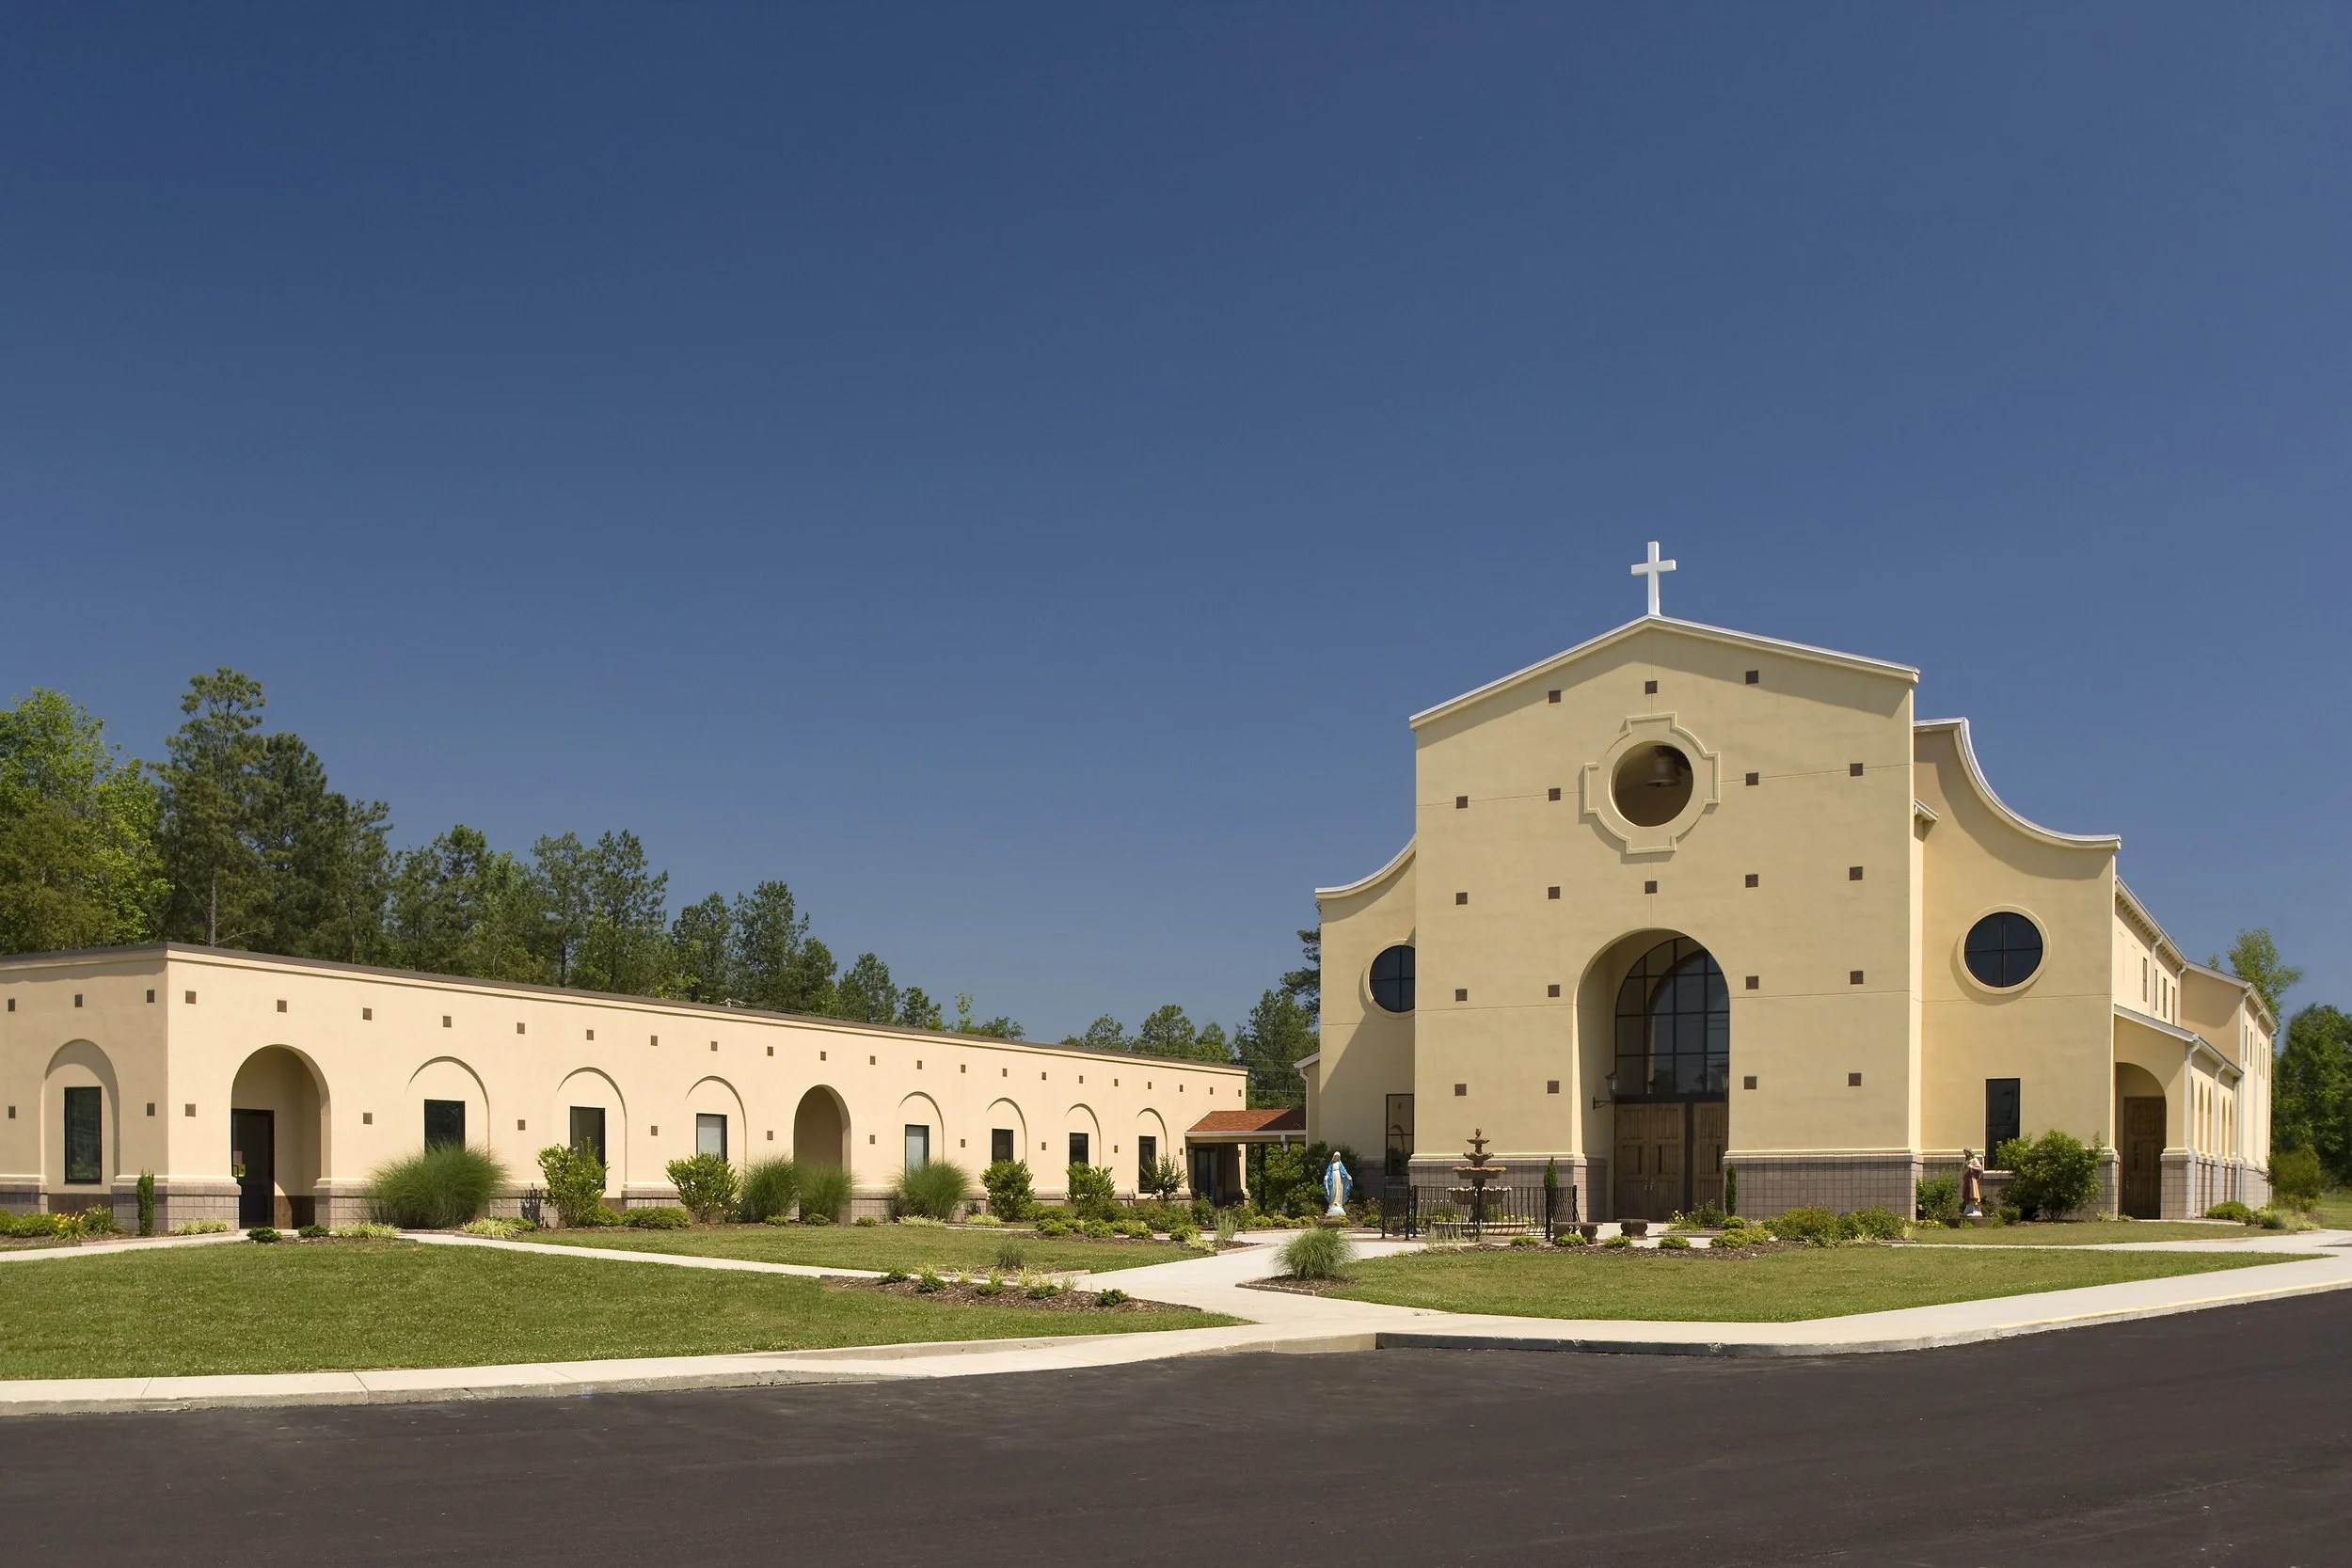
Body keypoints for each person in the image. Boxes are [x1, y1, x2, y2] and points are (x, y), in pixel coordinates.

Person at [1322, 1151, 1355, 1219]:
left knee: (1339, 1190)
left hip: (1339, 1178)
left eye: (1338, 1157)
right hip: (1333, 1178)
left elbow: (1344, 1171)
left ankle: (1338, 1203)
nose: (1337, 1158)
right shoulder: (1331, 1164)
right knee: (1333, 1190)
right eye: (1336, 1157)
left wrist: (1348, 1176)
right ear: (1334, 1157)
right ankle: (1333, 1203)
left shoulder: (1340, 1164)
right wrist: (1327, 1176)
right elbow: (1328, 1172)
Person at [1961, 1147, 1986, 1219]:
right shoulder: (1965, 1160)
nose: (1966, 1154)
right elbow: (1963, 1169)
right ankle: (1968, 1208)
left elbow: (1979, 1168)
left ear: (1970, 1152)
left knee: (1973, 1192)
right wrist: (1964, 1167)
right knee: (1967, 1193)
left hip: (1972, 1179)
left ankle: (1975, 1209)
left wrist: (1971, 1167)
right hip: (1966, 1179)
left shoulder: (1974, 1160)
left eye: (1967, 1152)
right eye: (1965, 1153)